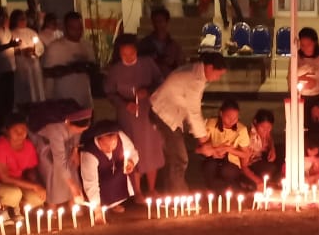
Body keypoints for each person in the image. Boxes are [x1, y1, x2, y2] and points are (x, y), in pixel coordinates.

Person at [149, 52, 229, 193]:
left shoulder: (196, 72)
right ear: (210, 67)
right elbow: (194, 112)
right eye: (218, 74)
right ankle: (179, 196)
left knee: (176, 156)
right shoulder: (194, 80)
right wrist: (204, 141)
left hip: (171, 114)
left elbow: (191, 110)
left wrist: (204, 142)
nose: (217, 78)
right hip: (164, 115)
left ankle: (173, 194)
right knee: (179, 158)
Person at [103, 33, 165, 199]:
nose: (128, 57)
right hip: (127, 116)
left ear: (137, 50)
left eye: (131, 53)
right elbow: (110, 93)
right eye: (124, 54)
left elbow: (160, 81)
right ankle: (137, 191)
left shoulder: (147, 63)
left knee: (151, 149)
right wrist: (124, 103)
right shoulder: (115, 70)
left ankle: (152, 188)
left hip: (147, 112)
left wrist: (148, 90)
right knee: (132, 149)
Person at [0, 114, 46, 216]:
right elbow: (5, 178)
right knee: (13, 194)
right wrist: (34, 186)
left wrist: (36, 185)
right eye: (16, 131)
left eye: (24, 130)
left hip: (17, 184)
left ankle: (18, 206)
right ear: (6, 131)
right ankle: (4, 211)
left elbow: (31, 170)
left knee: (38, 197)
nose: (20, 134)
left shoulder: (28, 145)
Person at [32, 106, 93, 207]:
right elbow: (59, 161)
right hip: (45, 143)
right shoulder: (55, 129)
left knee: (72, 164)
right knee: (53, 168)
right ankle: (52, 205)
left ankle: (73, 201)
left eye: (83, 130)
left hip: (66, 142)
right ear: (67, 122)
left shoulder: (77, 121)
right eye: (79, 129)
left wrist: (75, 150)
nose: (80, 132)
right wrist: (72, 186)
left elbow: (77, 133)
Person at [41, 11, 96, 110]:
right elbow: (47, 72)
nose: (77, 32)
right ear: (65, 29)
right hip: (63, 100)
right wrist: (72, 68)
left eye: (80, 28)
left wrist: (89, 67)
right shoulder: (55, 47)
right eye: (73, 28)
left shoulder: (86, 45)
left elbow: (93, 68)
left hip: (85, 98)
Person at [79, 119, 138, 210]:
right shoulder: (89, 153)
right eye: (106, 145)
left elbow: (133, 152)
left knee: (116, 178)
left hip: (116, 172)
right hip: (100, 179)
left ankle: (114, 204)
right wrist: (97, 209)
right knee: (100, 189)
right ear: (98, 140)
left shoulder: (121, 136)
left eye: (114, 144)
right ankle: (102, 205)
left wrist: (131, 162)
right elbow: (90, 183)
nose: (110, 148)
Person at [198, 99, 250, 189]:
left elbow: (245, 154)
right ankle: (214, 190)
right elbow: (200, 147)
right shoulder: (211, 124)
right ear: (221, 114)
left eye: (235, 118)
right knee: (209, 167)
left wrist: (228, 149)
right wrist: (214, 150)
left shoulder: (241, 130)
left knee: (226, 171)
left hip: (231, 163)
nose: (232, 121)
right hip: (213, 159)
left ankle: (226, 189)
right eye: (228, 117)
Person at [8, 10, 46, 106]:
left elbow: (40, 47)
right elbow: (8, 51)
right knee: (24, 88)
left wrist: (34, 51)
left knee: (35, 86)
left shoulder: (32, 32)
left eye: (24, 19)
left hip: (33, 65)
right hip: (21, 65)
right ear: (15, 20)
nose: (23, 21)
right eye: (21, 19)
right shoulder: (11, 33)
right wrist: (21, 52)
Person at [137, 7, 184, 78]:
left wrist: (171, 63)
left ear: (167, 22)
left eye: (160, 21)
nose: (157, 24)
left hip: (168, 79)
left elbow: (181, 65)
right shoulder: (144, 43)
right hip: (150, 79)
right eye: (155, 21)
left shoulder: (174, 45)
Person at [243, 109, 279, 189]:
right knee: (269, 170)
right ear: (255, 122)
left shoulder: (265, 131)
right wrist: (258, 181)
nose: (265, 130)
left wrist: (272, 149)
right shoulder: (249, 137)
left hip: (258, 159)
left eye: (269, 127)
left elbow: (269, 137)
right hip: (247, 165)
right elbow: (243, 166)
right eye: (263, 127)